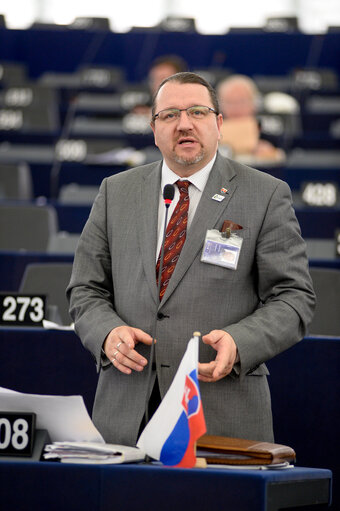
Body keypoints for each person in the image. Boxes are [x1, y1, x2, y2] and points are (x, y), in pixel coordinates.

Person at [67, 72, 315, 446]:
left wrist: (239, 341)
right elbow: (85, 289)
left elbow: (294, 298)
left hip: (220, 413)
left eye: (197, 112)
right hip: (125, 417)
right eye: (169, 115)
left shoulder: (265, 195)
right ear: (153, 129)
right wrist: (106, 333)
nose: (184, 124)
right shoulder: (116, 192)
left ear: (218, 124)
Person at [217, 74, 285, 162]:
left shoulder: (268, 128)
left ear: (254, 103)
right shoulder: (213, 129)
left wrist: (271, 150)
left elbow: (286, 151)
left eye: (242, 101)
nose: (236, 108)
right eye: (230, 102)